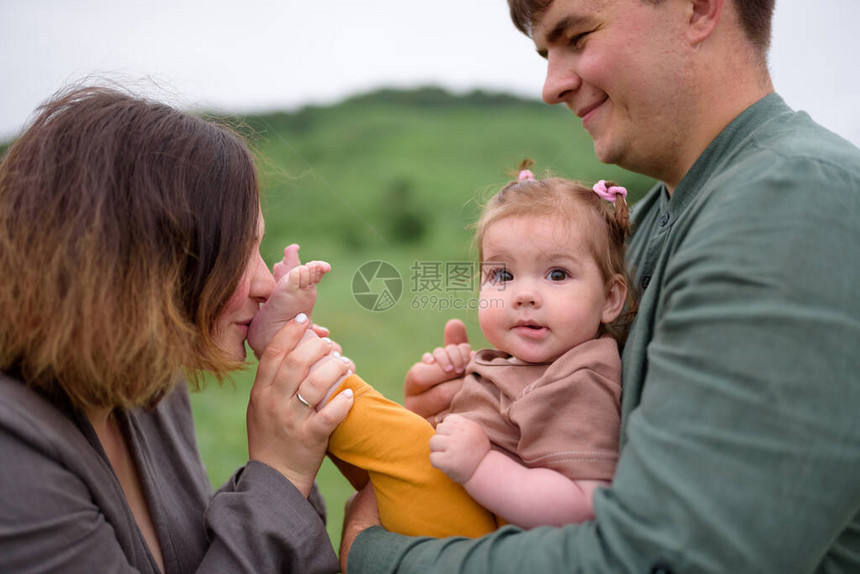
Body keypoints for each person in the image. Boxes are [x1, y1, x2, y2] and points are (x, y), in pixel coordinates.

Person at [341, 0, 860, 572]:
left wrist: (377, 556)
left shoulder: (793, 201)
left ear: (699, 9)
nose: (551, 85)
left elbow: (672, 557)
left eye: (578, 37)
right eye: (546, 52)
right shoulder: (653, 220)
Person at [0, 84, 355, 573]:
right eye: (240, 252)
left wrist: (387, 441)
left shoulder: (149, 388)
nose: (264, 283)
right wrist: (279, 475)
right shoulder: (11, 452)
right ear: (148, 264)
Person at [249, 163, 636, 535]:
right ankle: (297, 356)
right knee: (357, 435)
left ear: (610, 298)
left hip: (485, 534)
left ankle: (288, 345)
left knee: (389, 435)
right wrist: (462, 384)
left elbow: (583, 505)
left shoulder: (580, 379)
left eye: (557, 274)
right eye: (503, 275)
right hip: (459, 509)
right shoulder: (529, 363)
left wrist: (480, 466)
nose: (525, 295)